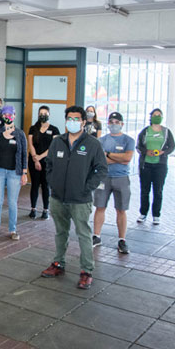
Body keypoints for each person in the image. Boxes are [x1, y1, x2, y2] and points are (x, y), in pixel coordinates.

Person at [41, 106, 108, 290]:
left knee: (83, 234)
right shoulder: (57, 142)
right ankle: (58, 264)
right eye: (69, 118)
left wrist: (87, 188)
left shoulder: (93, 144)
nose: (72, 122)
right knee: (60, 233)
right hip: (58, 197)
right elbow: (49, 165)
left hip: (80, 199)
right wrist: (52, 183)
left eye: (76, 119)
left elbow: (102, 169)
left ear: (83, 122)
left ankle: (86, 271)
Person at [94, 112, 134, 254]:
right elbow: (100, 159)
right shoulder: (102, 140)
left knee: (121, 209)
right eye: (111, 121)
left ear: (122, 124)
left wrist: (109, 155)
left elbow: (128, 158)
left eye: (117, 122)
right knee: (100, 207)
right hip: (103, 178)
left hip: (121, 178)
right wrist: (119, 158)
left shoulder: (128, 140)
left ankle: (122, 240)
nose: (114, 124)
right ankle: (96, 236)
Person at [0, 106, 27, 240]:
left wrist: (24, 172)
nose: (7, 116)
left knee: (12, 202)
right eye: (4, 114)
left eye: (10, 114)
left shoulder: (20, 134)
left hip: (14, 172)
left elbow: (24, 154)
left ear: (14, 116)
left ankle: (13, 229)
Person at [136, 108, 175, 225]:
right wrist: (146, 152)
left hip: (160, 165)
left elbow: (172, 146)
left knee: (158, 191)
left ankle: (156, 215)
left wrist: (163, 152)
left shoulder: (166, 132)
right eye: (154, 115)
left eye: (159, 115)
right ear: (151, 117)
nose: (157, 117)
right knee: (145, 190)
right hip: (146, 164)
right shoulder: (145, 131)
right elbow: (138, 146)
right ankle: (143, 213)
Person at [27, 106, 60, 220]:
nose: (43, 115)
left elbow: (53, 146)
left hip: (47, 161)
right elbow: (30, 145)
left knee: (46, 186)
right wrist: (35, 159)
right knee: (34, 185)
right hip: (33, 161)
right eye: (41, 113)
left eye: (45, 113)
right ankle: (33, 209)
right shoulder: (33, 128)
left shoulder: (54, 129)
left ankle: (46, 210)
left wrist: (40, 158)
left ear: (49, 114)